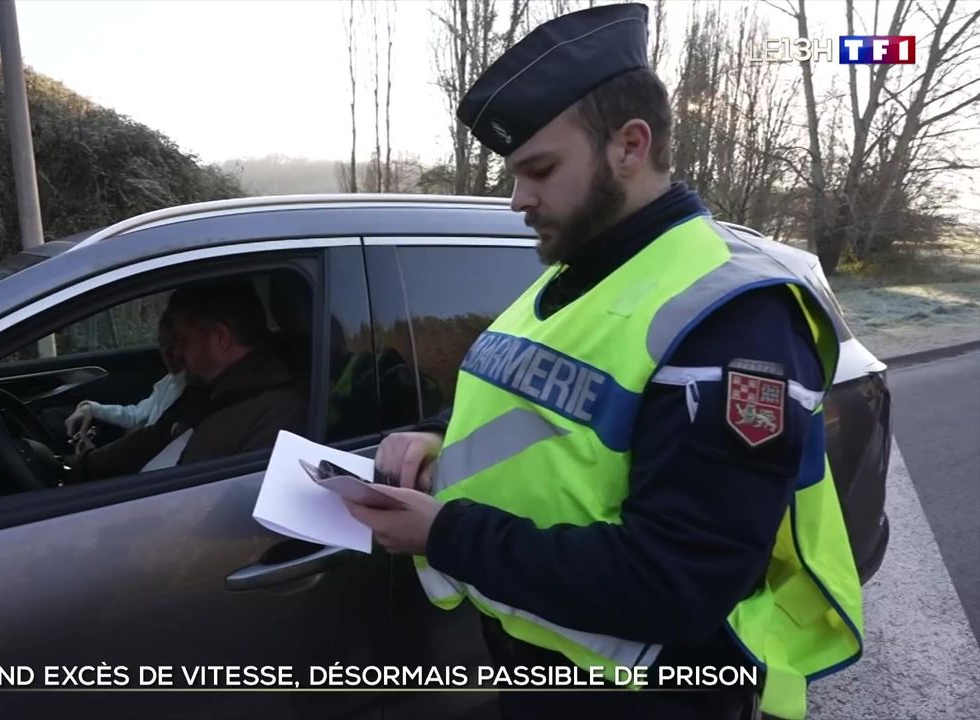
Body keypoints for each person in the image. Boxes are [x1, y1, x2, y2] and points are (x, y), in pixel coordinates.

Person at [340, 5, 863, 720]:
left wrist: (444, 535)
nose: (518, 199)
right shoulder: (580, 274)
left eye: (539, 169)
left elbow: (679, 581)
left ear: (629, 145)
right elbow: (539, 406)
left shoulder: (735, 318)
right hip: (542, 666)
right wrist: (434, 434)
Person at [68, 279, 306, 482]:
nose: (177, 353)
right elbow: (152, 438)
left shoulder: (276, 414)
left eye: (183, 340)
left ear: (221, 339)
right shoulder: (206, 390)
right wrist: (77, 467)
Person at [63, 309, 187, 452]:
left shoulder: (190, 394)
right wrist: (92, 408)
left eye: (175, 344)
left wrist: (90, 457)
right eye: (163, 345)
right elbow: (135, 416)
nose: (168, 353)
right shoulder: (169, 381)